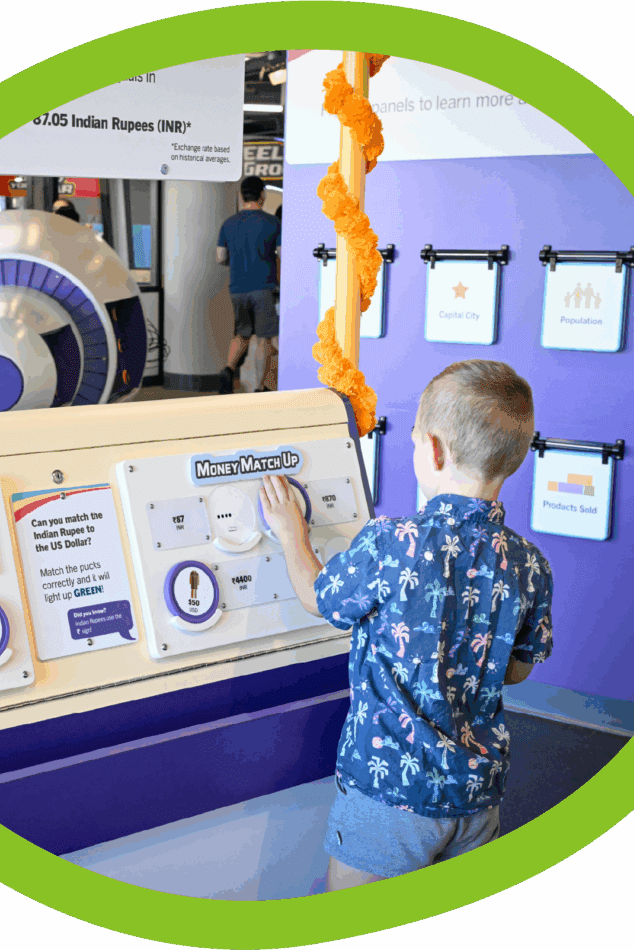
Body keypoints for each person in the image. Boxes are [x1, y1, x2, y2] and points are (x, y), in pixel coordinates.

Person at [259, 359, 554, 890]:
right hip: (477, 797)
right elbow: (517, 670)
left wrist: (290, 533)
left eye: (415, 437)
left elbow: (317, 597)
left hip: (390, 794)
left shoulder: (392, 543)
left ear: (433, 450)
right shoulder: (530, 564)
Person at [216, 176, 281, 394]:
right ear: (262, 195)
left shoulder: (228, 224)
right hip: (263, 287)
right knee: (264, 339)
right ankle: (259, 387)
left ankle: (228, 369)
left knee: (241, 334)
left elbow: (220, 257)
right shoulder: (272, 223)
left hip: (237, 288)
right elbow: (282, 254)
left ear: (242, 195)